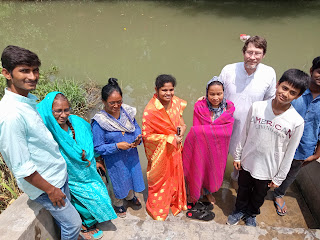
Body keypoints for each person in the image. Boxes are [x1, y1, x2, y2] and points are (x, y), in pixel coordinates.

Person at [0, 45, 82, 240]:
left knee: (66, 222)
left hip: (57, 176)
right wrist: (51, 190)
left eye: (35, 70)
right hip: (47, 185)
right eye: (24, 71)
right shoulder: (11, 115)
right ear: (7, 73)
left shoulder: (26, 101)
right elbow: (22, 167)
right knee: (74, 224)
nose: (32, 76)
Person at [227, 69, 310, 227]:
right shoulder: (258, 106)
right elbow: (244, 133)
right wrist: (237, 156)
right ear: (277, 85)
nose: (285, 94)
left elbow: (290, 152)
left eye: (292, 92)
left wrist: (280, 177)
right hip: (247, 161)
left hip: (269, 169)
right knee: (243, 189)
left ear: (298, 96)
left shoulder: (296, 122)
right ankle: (238, 210)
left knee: (259, 195)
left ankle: (251, 214)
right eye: (284, 88)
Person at [37, 92, 117, 239]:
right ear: (49, 111)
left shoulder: (76, 122)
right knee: (81, 200)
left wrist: (98, 159)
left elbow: (91, 140)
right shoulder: (47, 131)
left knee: (100, 194)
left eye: (66, 110)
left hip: (88, 171)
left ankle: (90, 220)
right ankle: (85, 225)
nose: (63, 115)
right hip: (69, 175)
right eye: (58, 111)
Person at [219, 36, 277, 181]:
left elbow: (270, 101)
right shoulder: (229, 69)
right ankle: (216, 179)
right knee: (219, 153)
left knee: (242, 157)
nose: (252, 57)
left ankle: (235, 178)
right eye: (249, 52)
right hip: (225, 122)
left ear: (264, 55)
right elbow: (216, 92)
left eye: (257, 53)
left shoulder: (269, 73)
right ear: (243, 52)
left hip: (251, 124)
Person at [183, 76, 235, 221]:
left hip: (218, 149)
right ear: (206, 93)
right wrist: (207, 132)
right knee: (198, 167)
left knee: (212, 170)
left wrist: (209, 132)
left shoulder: (229, 109)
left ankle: (207, 192)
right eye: (212, 94)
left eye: (219, 94)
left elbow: (227, 131)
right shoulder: (200, 107)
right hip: (202, 146)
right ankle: (195, 192)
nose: (215, 97)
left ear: (224, 93)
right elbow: (196, 129)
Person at [92, 78, 145, 218]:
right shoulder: (99, 121)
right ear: (103, 101)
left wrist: (138, 137)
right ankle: (118, 203)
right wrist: (117, 146)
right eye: (112, 103)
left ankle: (130, 197)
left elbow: (136, 128)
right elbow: (98, 147)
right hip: (114, 160)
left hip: (131, 155)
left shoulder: (127, 112)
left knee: (131, 176)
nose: (116, 105)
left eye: (119, 101)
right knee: (118, 180)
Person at [274, 57, 320, 216]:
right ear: (312, 71)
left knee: (292, 174)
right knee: (271, 167)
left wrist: (317, 154)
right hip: (281, 141)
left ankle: (279, 194)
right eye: (319, 71)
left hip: (304, 146)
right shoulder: (295, 91)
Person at [142, 74, 187, 221]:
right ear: (156, 89)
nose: (168, 93)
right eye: (164, 90)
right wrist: (169, 138)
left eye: (171, 89)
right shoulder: (151, 111)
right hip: (160, 151)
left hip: (175, 149)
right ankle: (158, 206)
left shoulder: (176, 102)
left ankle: (174, 200)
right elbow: (147, 136)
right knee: (159, 179)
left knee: (175, 176)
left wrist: (181, 129)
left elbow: (180, 121)